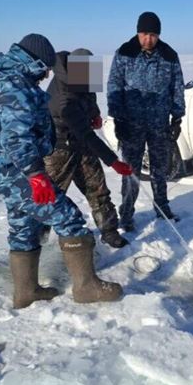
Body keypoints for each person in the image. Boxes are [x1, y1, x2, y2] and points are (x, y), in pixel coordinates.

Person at [0, 34, 122, 308]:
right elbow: (15, 137)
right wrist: (36, 175)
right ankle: (86, 287)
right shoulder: (15, 83)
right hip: (22, 171)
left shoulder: (7, 77)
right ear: (34, 60)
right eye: (44, 68)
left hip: (9, 168)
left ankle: (26, 292)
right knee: (68, 217)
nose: (45, 76)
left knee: (23, 227)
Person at [45, 48, 133, 249]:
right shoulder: (63, 98)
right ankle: (37, 238)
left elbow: (89, 96)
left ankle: (109, 231)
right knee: (50, 196)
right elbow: (86, 134)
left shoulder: (82, 77)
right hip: (60, 149)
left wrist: (94, 113)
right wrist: (114, 161)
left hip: (83, 145)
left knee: (98, 189)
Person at [107, 11, 185, 231]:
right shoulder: (124, 53)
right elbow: (114, 86)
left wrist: (177, 116)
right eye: (144, 34)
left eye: (152, 35)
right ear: (137, 32)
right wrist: (117, 118)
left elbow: (177, 87)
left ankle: (162, 207)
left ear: (158, 35)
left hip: (159, 122)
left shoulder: (169, 55)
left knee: (159, 169)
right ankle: (127, 214)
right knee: (130, 170)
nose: (148, 39)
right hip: (131, 124)